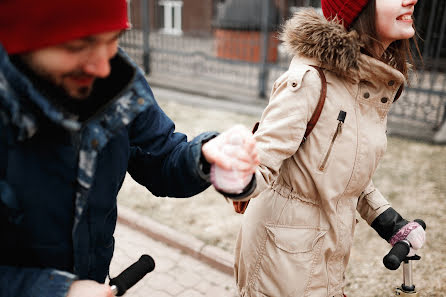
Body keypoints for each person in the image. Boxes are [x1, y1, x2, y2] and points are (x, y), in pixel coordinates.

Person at [0, 0, 259, 296]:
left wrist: (205, 154)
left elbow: (161, 158)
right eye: (78, 46)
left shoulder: (116, 79)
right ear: (19, 41)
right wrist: (54, 291)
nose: (101, 67)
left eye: (112, 40)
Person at [234, 0, 426, 296]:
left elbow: (346, 173)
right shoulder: (311, 81)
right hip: (280, 256)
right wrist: (230, 173)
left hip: (327, 251)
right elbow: (259, 163)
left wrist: (390, 222)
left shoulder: (368, 86)